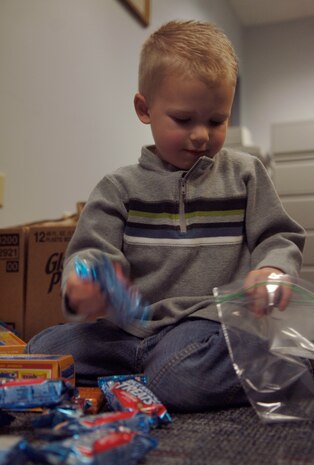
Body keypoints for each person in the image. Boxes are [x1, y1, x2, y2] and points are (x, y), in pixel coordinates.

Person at [26, 20, 305, 412]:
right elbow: (91, 252)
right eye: (184, 119)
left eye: (216, 120)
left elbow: (278, 238)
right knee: (42, 350)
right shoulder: (118, 186)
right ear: (145, 109)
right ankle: (151, 377)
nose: (201, 136)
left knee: (181, 373)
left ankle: (278, 362)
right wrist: (85, 283)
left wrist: (273, 271)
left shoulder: (245, 174)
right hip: (128, 332)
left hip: (207, 325)